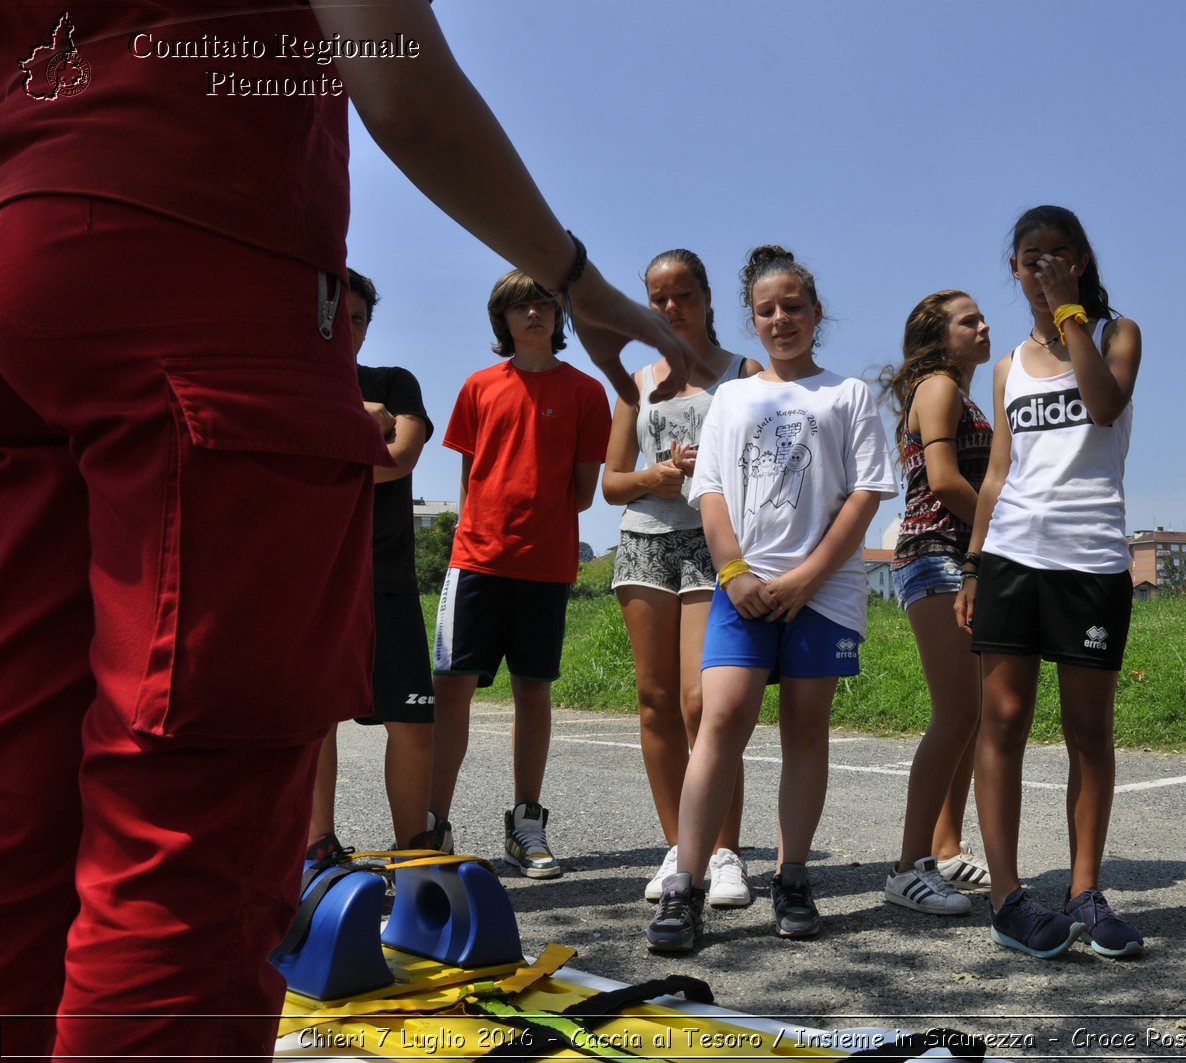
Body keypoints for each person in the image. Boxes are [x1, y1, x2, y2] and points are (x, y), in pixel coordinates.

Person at [0, 1, 692, 1055]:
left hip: (23, 252)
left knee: (22, 795)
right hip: (200, 258)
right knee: (190, 821)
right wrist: (576, 280)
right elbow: (398, 84)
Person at [645, 245, 898, 951]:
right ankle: (684, 884)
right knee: (719, 718)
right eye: (767, 309)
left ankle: (792, 874)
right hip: (742, 588)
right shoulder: (733, 396)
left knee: (805, 727)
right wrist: (735, 575)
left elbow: (865, 494)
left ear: (817, 314)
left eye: (794, 306)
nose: (781, 318)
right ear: (752, 321)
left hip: (822, 590)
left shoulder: (847, 395)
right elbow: (712, 491)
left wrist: (808, 575)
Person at [954, 205, 1143, 960]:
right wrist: (972, 562)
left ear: (1083, 260)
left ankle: (1086, 891)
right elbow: (998, 474)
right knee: (1001, 720)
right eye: (1031, 257)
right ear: (1014, 268)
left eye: (1059, 254)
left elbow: (1102, 404)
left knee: (1088, 732)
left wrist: (1073, 314)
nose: (1044, 267)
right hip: (1010, 557)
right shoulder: (1007, 368)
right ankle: (1006, 897)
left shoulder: (1115, 334)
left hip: (1091, 556)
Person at [430, 271, 611, 879]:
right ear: (501, 321)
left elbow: (584, 494)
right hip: (475, 562)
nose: (533, 314)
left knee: (533, 692)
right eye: (519, 307)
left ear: (559, 318)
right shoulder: (478, 387)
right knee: (451, 689)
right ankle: (433, 826)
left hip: (545, 564)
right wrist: (472, 533)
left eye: (543, 305)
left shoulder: (587, 393)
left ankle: (526, 826)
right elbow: (468, 479)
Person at [602, 248, 759, 906]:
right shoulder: (638, 382)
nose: (671, 308)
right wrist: (658, 476)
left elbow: (764, 464)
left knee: (705, 704)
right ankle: (677, 847)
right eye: (658, 298)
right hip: (645, 543)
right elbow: (611, 484)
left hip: (712, 542)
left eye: (683, 295)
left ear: (706, 297)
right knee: (657, 701)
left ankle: (722, 850)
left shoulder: (742, 374)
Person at [306, 269, 440, 861]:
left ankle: (414, 853)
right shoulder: (292, 387)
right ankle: (317, 851)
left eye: (357, 318)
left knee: (411, 722)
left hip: (383, 578)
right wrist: (359, 418)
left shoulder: (395, 382)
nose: (345, 328)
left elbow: (397, 459)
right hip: (309, 579)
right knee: (315, 723)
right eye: (333, 317)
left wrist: (314, 442)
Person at [878, 290, 996, 916]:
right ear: (937, 335)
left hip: (957, 555)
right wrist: (1008, 533)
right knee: (956, 713)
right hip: (936, 554)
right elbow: (946, 481)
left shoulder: (957, 391)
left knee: (969, 714)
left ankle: (944, 851)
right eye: (968, 320)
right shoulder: (939, 387)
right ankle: (908, 868)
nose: (984, 326)